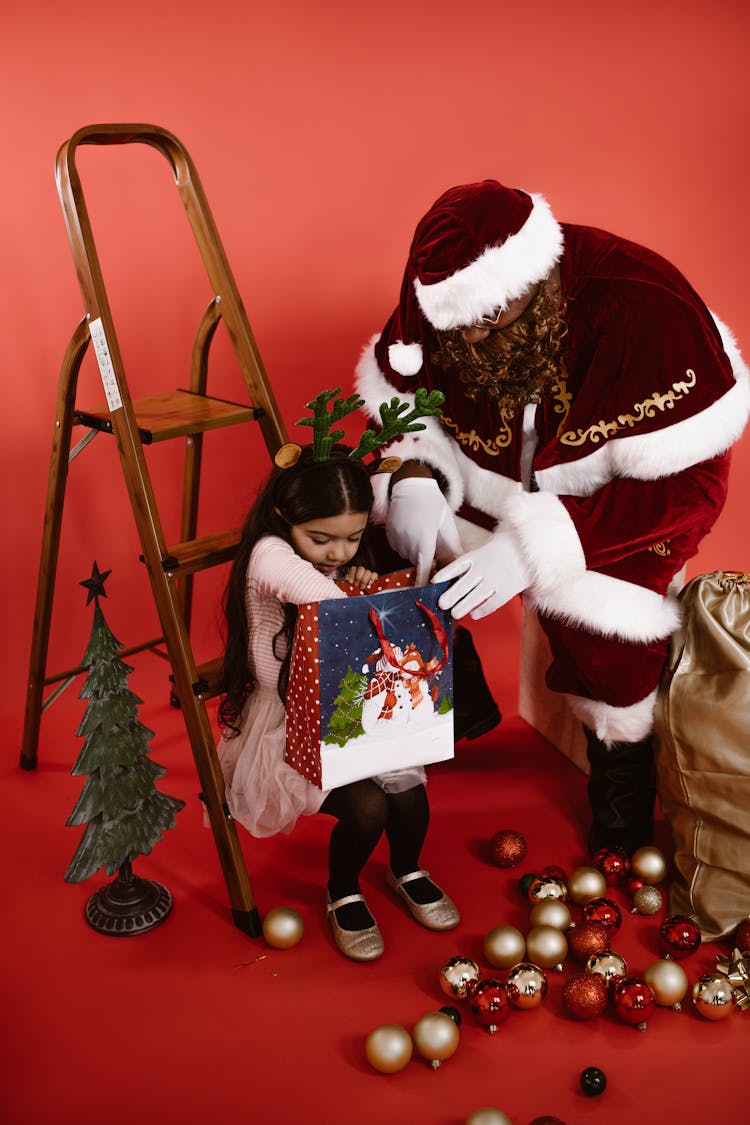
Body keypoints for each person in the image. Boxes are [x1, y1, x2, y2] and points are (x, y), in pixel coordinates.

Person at [355, 179, 750, 856]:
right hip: (491, 481)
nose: (474, 336)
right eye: (461, 326)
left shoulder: (643, 306)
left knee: (611, 630)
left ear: (532, 281)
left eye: (490, 319)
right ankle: (451, 698)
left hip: (613, 507)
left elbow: (694, 488)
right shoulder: (437, 314)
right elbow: (406, 411)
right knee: (366, 542)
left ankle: (621, 786)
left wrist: (540, 546)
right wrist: (414, 474)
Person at [217, 442, 459, 962]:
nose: (338, 553)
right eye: (321, 539)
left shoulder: (334, 558)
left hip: (349, 704)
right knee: (368, 808)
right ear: (284, 518)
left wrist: (361, 578)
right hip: (288, 720)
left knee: (410, 795)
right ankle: (342, 890)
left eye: (353, 538)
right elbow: (326, 602)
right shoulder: (270, 553)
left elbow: (342, 591)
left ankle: (407, 868)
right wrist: (364, 595)